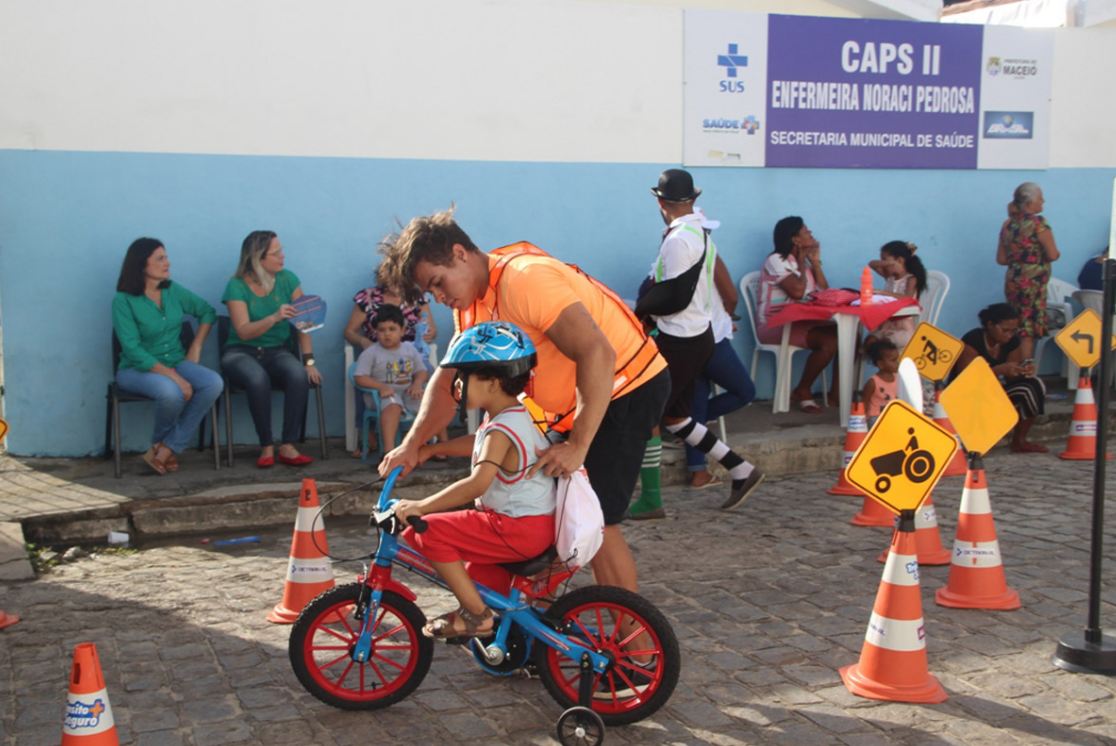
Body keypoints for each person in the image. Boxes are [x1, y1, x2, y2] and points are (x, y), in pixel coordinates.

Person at [376, 207, 669, 596]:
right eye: (432, 293)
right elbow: (448, 383)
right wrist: (411, 446)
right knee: (539, 511)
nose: (440, 297)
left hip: (626, 386)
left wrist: (578, 446)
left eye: (438, 283)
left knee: (595, 515)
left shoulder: (524, 279)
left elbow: (597, 352)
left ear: (460, 254)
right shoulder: (472, 310)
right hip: (570, 406)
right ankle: (530, 624)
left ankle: (632, 648)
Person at [393, 322, 555, 637]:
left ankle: (478, 616)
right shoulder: (510, 416)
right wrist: (432, 449)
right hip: (527, 524)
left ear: (493, 382)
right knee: (475, 575)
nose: (456, 386)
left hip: (515, 527)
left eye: (463, 378)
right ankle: (480, 609)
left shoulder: (502, 427)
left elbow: (477, 484)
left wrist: (422, 506)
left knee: (430, 531)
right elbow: (478, 444)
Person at [631, 169, 763, 516]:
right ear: (692, 200)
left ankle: (650, 500)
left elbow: (673, 295)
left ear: (661, 202)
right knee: (676, 417)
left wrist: (643, 311)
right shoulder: (697, 233)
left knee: (647, 416)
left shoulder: (678, 241)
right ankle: (740, 470)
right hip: (698, 334)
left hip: (679, 337)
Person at [112, 238, 224, 475]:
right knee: (170, 392)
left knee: (213, 382)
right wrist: (174, 377)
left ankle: (164, 449)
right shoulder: (123, 301)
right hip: (135, 369)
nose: (167, 263)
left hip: (175, 360)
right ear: (142, 265)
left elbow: (207, 312)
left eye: (166, 257)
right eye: (160, 258)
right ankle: (164, 450)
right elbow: (132, 349)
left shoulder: (172, 290)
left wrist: (196, 346)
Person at [220, 230, 323, 468]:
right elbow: (243, 330)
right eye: (276, 253)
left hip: (276, 351)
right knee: (257, 378)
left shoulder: (288, 279)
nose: (282, 256)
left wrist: (309, 362)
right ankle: (266, 445)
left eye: (281, 251)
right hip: (240, 351)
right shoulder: (236, 286)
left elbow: (304, 324)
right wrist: (274, 317)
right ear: (258, 258)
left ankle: (288, 445)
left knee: (298, 374)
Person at [758, 217, 838, 412]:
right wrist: (802, 262)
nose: (811, 233)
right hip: (775, 325)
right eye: (806, 231)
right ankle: (803, 390)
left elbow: (824, 292)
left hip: (802, 322)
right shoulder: (776, 260)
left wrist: (816, 263)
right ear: (795, 239)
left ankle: (837, 395)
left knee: (851, 337)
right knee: (830, 342)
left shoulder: (805, 265)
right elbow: (797, 292)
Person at [953, 303, 1047, 453]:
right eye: (1005, 330)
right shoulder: (973, 340)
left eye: (1013, 331)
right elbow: (966, 379)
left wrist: (1021, 371)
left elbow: (1011, 378)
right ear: (990, 325)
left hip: (993, 391)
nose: (1009, 335)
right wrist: (996, 370)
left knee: (1033, 385)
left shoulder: (1012, 342)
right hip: (966, 395)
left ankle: (1020, 440)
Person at [997, 182, 1061, 362]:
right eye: (1040, 198)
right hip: (1032, 285)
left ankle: (1012, 369)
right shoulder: (1038, 224)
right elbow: (1053, 254)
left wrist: (1019, 258)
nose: (1043, 201)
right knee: (1027, 332)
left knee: (1014, 326)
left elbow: (1001, 259)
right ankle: (1025, 373)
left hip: (1012, 282)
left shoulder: (1008, 224)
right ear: (1030, 202)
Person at [353, 305, 430, 453]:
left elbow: (421, 370)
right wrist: (380, 387)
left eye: (392, 329)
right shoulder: (371, 353)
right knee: (393, 406)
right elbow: (359, 377)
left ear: (402, 330)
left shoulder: (409, 349)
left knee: (430, 403)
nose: (387, 334)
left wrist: (417, 383)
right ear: (376, 332)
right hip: (382, 396)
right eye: (382, 330)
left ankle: (433, 445)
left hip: (407, 392)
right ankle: (389, 451)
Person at [343, 266, 437, 350]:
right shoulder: (368, 297)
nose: (398, 282)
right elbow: (349, 332)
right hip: (378, 354)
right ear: (384, 277)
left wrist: (428, 335)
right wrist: (363, 342)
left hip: (410, 353)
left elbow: (431, 330)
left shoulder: (416, 297)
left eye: (402, 278)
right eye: (394, 277)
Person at [864, 240, 927, 351]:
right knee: (868, 342)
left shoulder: (911, 279)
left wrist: (884, 293)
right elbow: (871, 264)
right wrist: (890, 263)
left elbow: (908, 298)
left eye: (884, 259)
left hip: (902, 328)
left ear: (900, 260)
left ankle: (888, 366)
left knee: (883, 347)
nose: (882, 263)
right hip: (887, 325)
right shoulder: (890, 277)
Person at [862, 339, 898, 428]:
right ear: (881, 364)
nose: (897, 363)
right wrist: (862, 422)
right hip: (875, 417)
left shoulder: (898, 378)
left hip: (892, 415)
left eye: (897, 359)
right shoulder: (873, 382)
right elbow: (864, 403)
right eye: (893, 360)